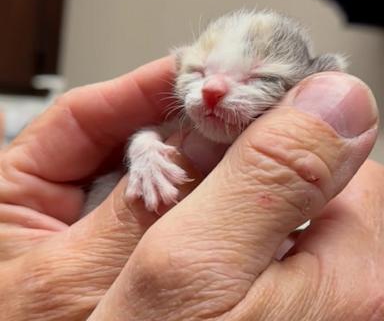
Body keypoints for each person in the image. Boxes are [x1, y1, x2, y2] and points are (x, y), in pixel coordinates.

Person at [1, 56, 382, 320]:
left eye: (263, 80)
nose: (212, 88)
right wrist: (147, 153)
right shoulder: (182, 132)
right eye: (198, 72)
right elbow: (147, 136)